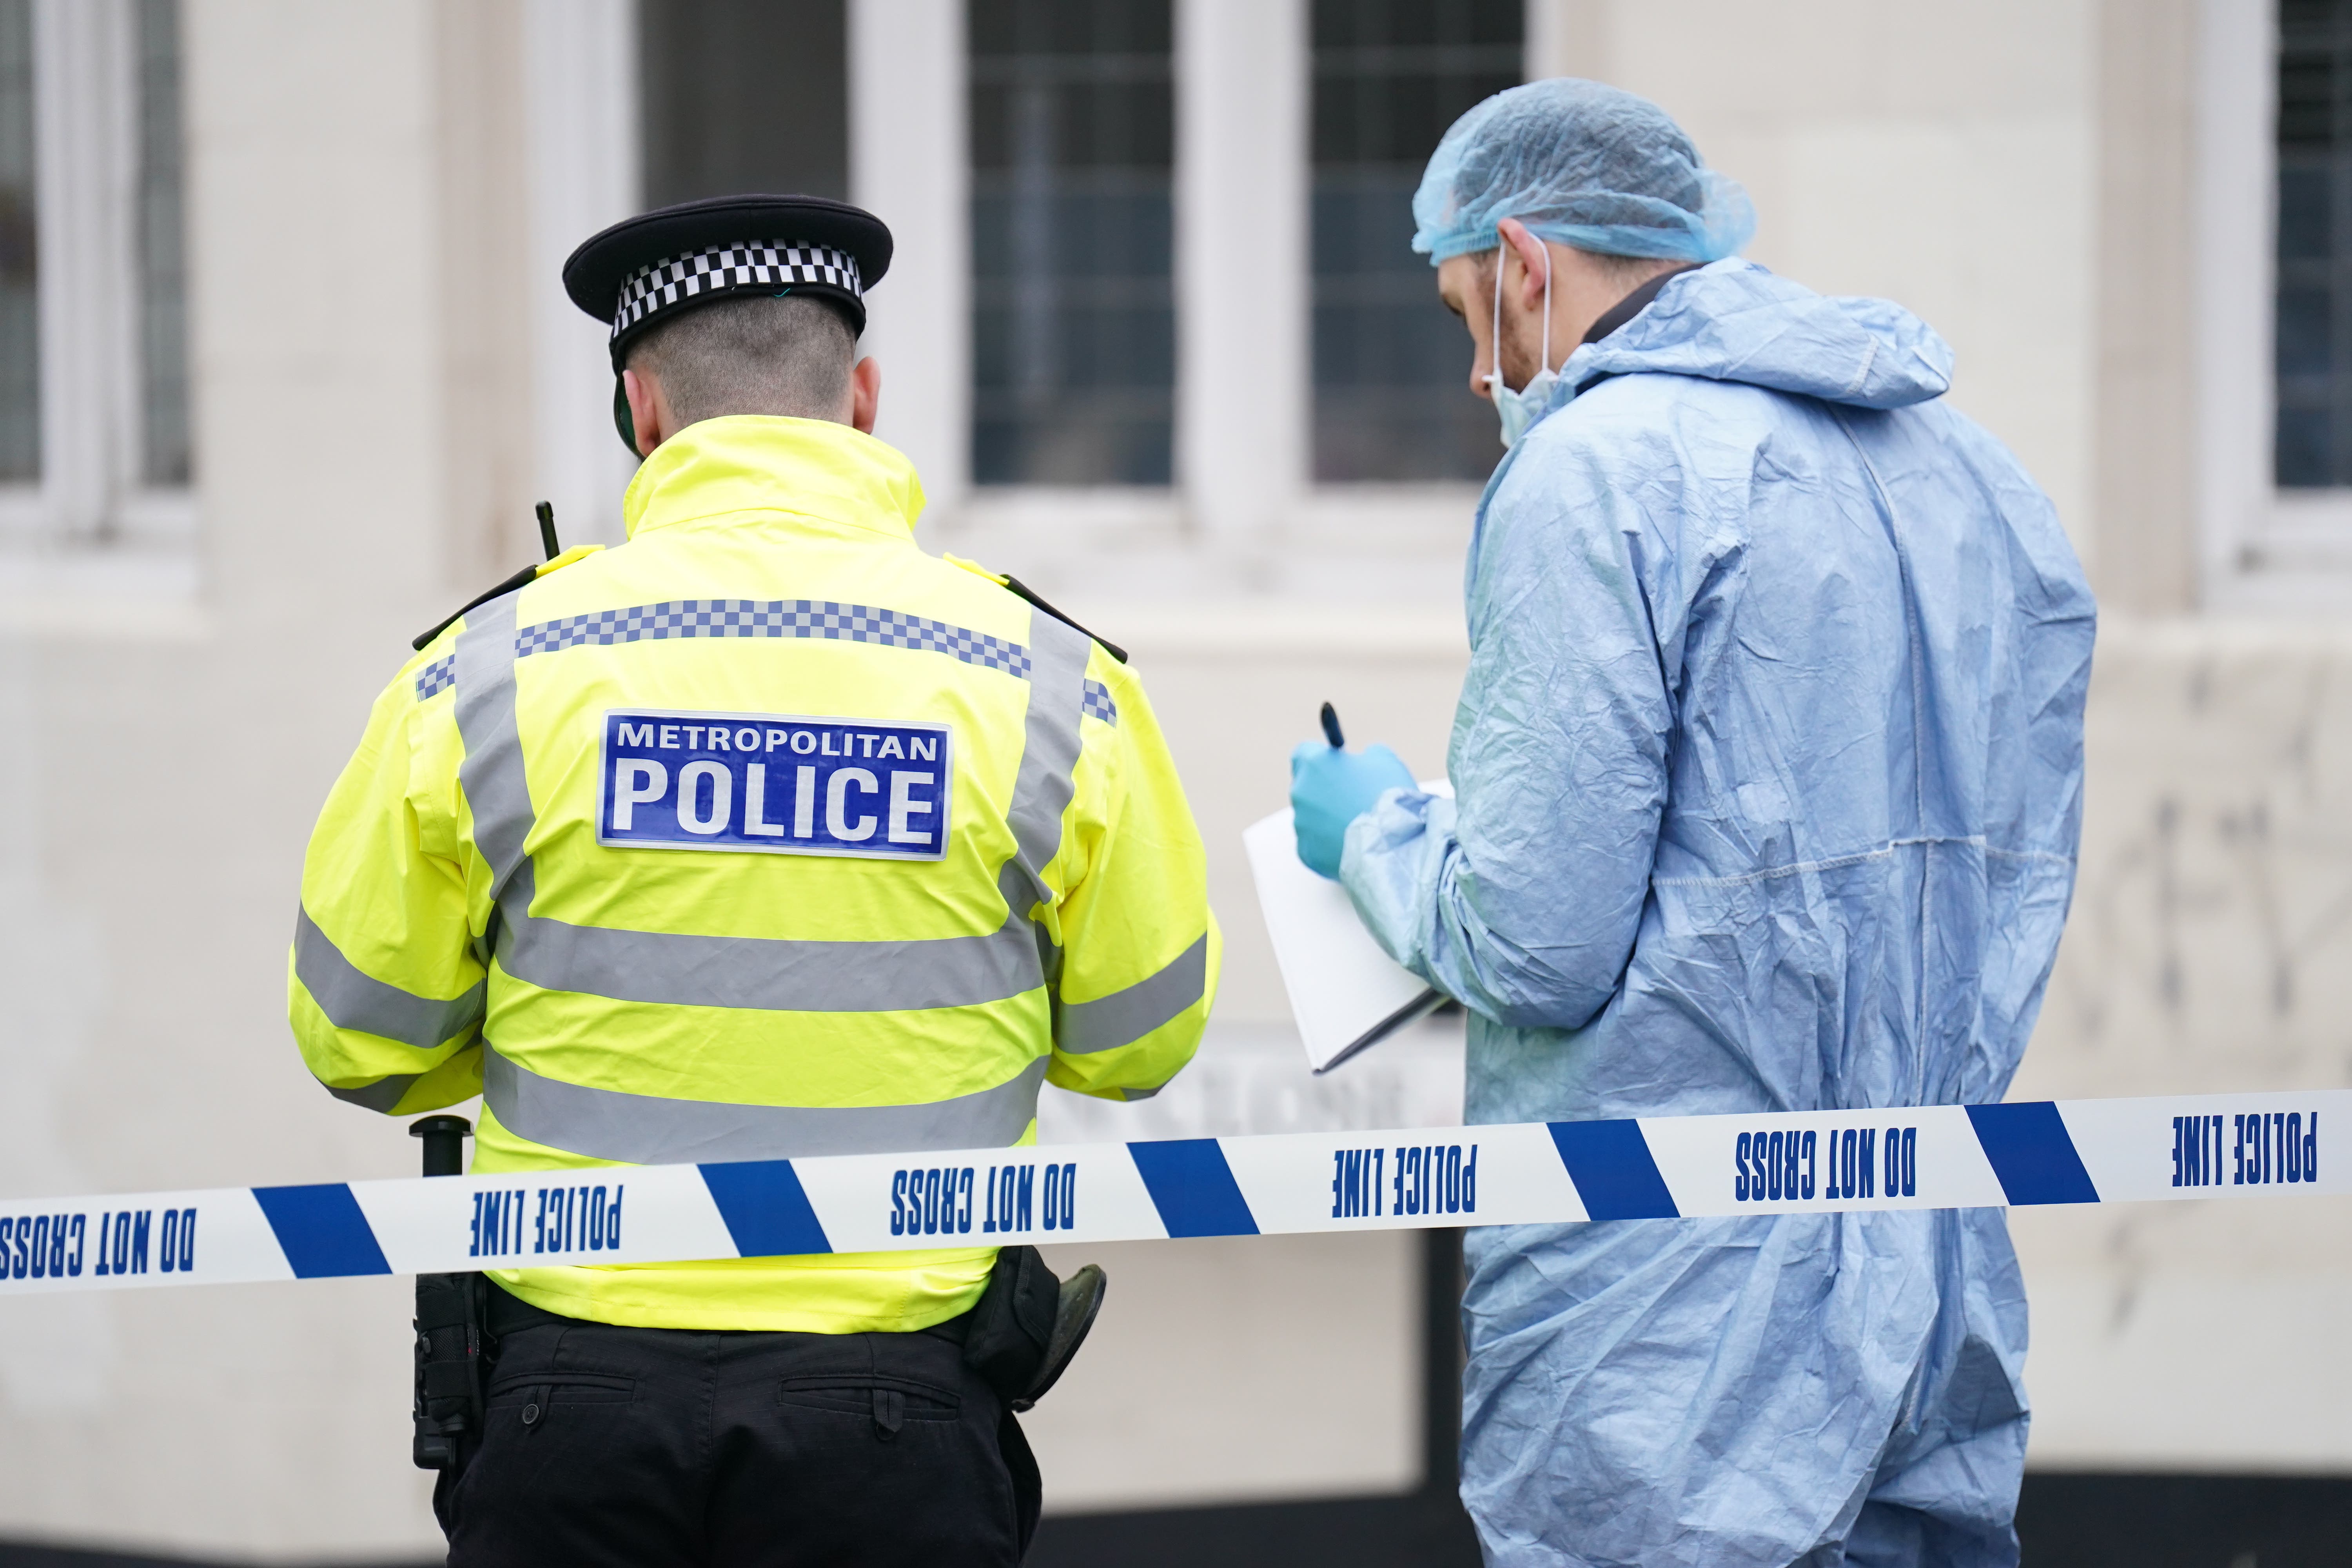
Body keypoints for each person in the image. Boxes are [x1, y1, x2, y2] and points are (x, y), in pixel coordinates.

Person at [290, 193, 1219, 1567]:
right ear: (864, 399)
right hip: (897, 1426)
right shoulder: (1049, 685)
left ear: (641, 411)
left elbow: (359, 1039)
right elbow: (1141, 1044)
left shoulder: (485, 675)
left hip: (572, 1417)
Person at [1290, 80, 2095, 1568]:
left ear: (1526, 266)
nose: (1481, 373)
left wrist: (1379, 838)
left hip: (1665, 1323)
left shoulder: (1593, 472)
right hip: (1927, 1264)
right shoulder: (1973, 476)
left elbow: (1537, 943)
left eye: (1472, 313)